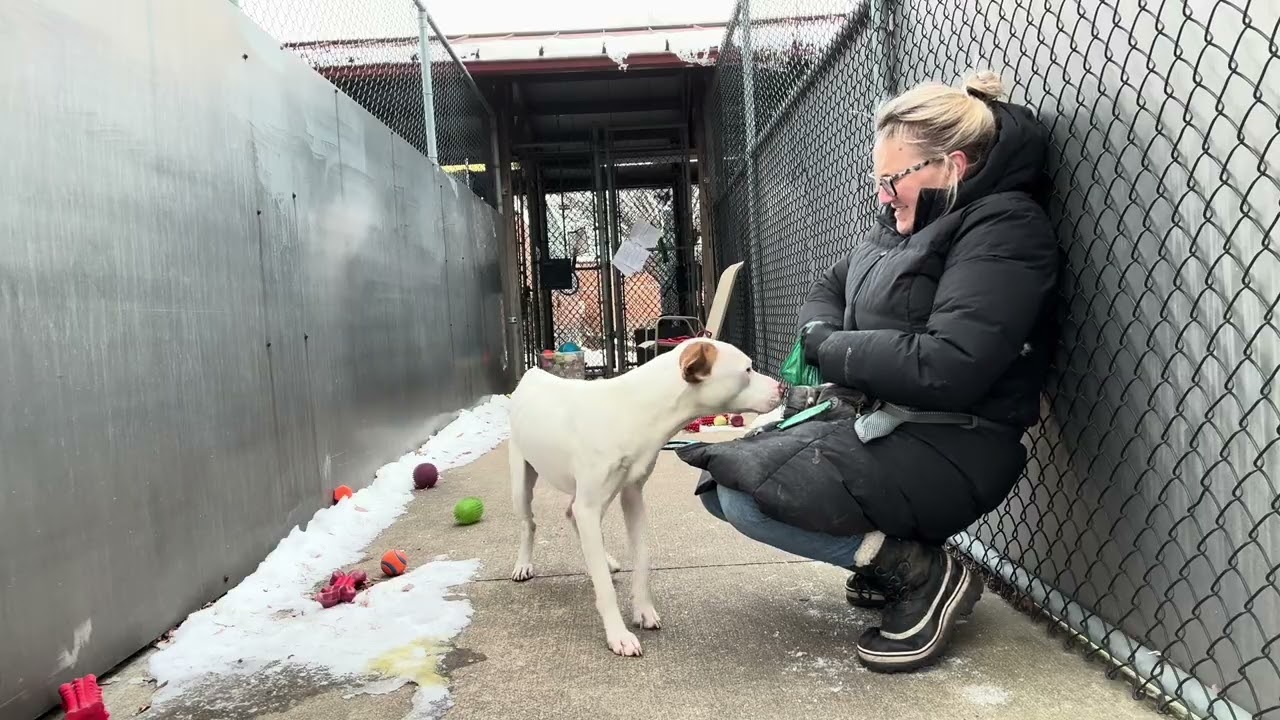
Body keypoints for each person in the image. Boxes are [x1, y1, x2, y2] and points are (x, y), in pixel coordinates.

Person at [675, 70, 1060, 672]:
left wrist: (832, 347)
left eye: (892, 179)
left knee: (749, 497)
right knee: (722, 485)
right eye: (878, 180)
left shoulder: (1006, 228)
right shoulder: (902, 227)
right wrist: (826, 335)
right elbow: (828, 290)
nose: (882, 195)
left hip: (954, 442)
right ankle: (889, 556)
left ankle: (926, 574)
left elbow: (948, 365)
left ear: (952, 165)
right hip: (884, 422)